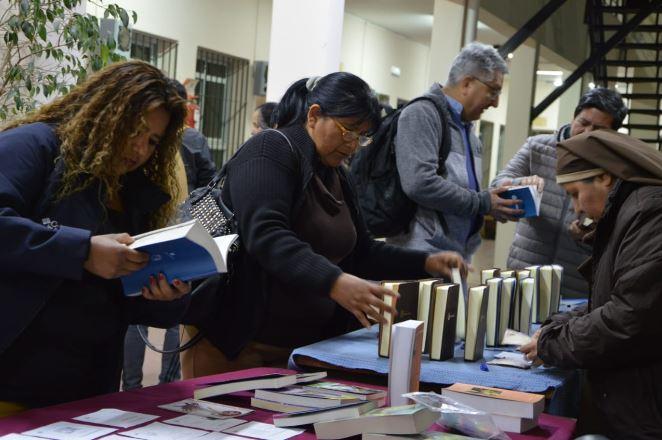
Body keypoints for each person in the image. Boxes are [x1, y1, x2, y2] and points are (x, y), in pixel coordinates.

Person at [180, 72, 469, 377]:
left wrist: (425, 262)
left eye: (362, 136)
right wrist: (335, 282)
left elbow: (361, 252)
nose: (353, 145)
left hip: (302, 349)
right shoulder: (271, 149)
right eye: (349, 131)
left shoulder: (334, 173)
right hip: (239, 347)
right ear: (314, 115)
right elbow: (267, 235)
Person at [0, 60, 192, 415]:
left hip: (89, 391)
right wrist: (82, 251)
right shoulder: (35, 145)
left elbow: (119, 297)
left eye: (152, 141)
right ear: (107, 111)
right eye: (134, 130)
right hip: (12, 380)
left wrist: (165, 296)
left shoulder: (133, 193)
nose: (139, 149)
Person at [520, 129, 662, 438]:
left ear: (605, 179)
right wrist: (560, 324)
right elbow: (617, 299)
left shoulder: (648, 213)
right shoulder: (631, 211)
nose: (576, 208)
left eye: (574, 193)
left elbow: (629, 318)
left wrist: (552, 342)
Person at [122, 80, 217, 390]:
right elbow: (209, 186)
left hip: (147, 229)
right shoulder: (194, 139)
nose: (144, 147)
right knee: (174, 296)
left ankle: (133, 384)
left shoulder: (175, 142)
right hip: (181, 228)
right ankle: (166, 383)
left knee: (139, 303)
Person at [386, 42, 520, 260]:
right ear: (467, 83)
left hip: (457, 256)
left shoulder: (468, 130)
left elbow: (462, 189)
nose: (495, 103)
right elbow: (419, 183)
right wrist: (483, 202)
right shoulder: (422, 114)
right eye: (493, 92)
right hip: (420, 258)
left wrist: (492, 202)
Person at [491, 88, 627, 297]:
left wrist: (591, 232)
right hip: (526, 267)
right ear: (574, 116)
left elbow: (620, 223)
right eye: (583, 122)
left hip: (576, 278)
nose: (586, 132)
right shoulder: (538, 146)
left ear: (612, 132)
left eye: (598, 128)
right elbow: (497, 184)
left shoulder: (615, 168)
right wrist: (521, 182)